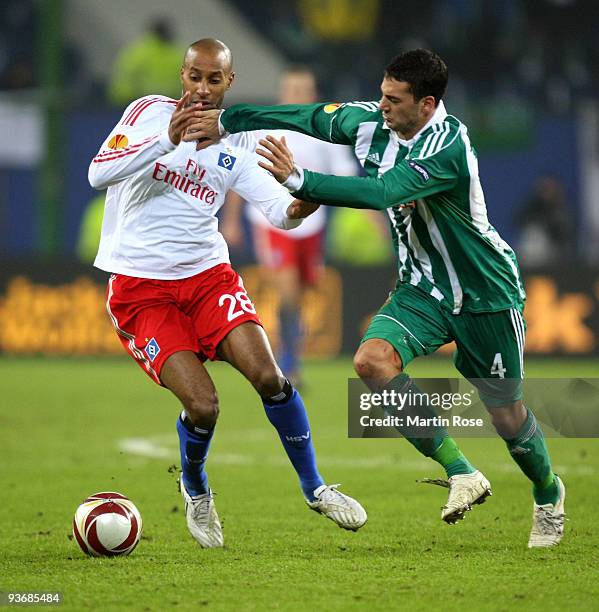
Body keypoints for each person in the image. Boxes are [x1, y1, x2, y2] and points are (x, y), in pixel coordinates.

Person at [192, 48, 565, 548]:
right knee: (371, 362)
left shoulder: (446, 145)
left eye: (394, 99)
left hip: (485, 293)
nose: (382, 105)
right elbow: (309, 117)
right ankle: (462, 471)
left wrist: (299, 180)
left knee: (506, 414)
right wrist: (228, 119)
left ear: (427, 104)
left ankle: (547, 492)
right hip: (421, 288)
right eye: (381, 94)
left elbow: (384, 192)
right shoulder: (373, 122)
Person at [88, 38, 366, 549]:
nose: (201, 88)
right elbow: (98, 172)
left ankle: (316, 488)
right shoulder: (149, 113)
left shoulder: (236, 139)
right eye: (194, 77)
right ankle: (195, 486)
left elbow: (281, 212)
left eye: (213, 80)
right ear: (182, 74)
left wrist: (302, 194)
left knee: (270, 377)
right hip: (141, 289)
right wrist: (164, 143)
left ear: (228, 84)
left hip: (208, 277)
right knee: (204, 406)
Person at [221, 66, 357, 385]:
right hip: (271, 222)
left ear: (312, 94)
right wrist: (230, 221)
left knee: (303, 294)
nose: (296, 95)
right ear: (283, 94)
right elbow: (242, 176)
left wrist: (378, 217)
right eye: (291, 89)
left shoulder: (327, 129)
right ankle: (288, 364)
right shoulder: (263, 128)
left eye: (303, 90)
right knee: (289, 291)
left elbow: (347, 179)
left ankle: (290, 350)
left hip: (312, 223)